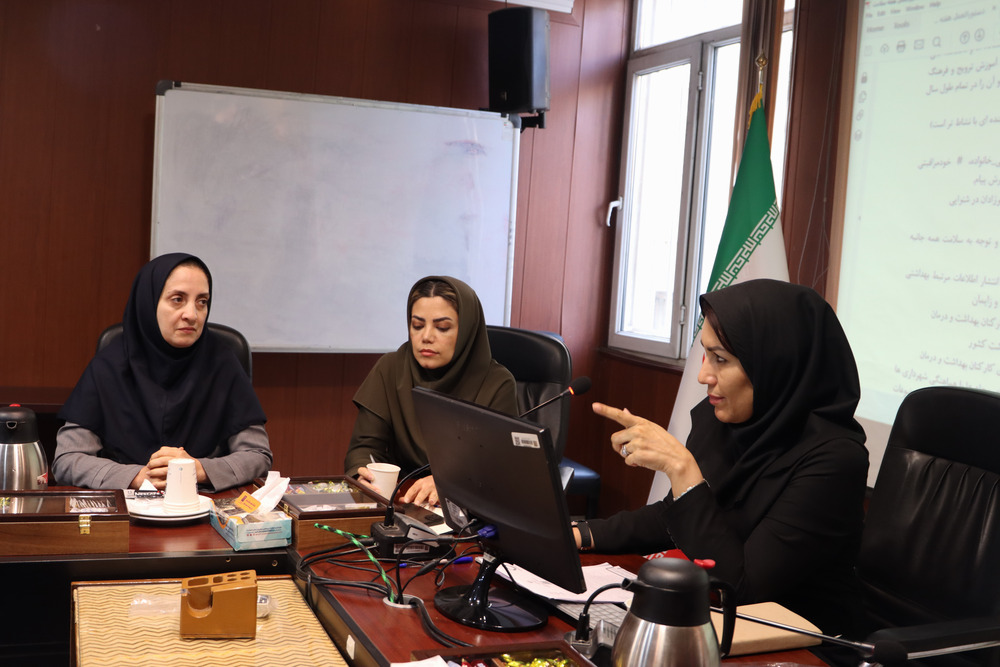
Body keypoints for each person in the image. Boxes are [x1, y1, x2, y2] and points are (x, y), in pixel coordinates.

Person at [576, 279, 869, 637]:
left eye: (721, 359)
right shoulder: (727, 422)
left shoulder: (835, 461)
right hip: (722, 628)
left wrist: (682, 469)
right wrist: (581, 534)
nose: (703, 376)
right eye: (706, 354)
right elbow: (676, 517)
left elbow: (742, 590)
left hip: (804, 645)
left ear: (773, 364)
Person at [53, 253, 272, 491]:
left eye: (202, 301)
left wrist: (199, 469)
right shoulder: (109, 366)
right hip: (127, 503)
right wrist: (136, 476)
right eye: (178, 299)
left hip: (203, 504)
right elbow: (67, 460)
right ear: (149, 302)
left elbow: (257, 455)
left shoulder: (223, 363)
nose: (192, 314)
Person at [346, 275, 517, 506]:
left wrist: (450, 482)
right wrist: (362, 476)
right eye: (417, 326)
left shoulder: (497, 383)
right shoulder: (391, 368)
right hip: (403, 500)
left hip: (466, 507)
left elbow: (499, 468)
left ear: (466, 331)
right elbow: (364, 448)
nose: (426, 337)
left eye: (442, 327)